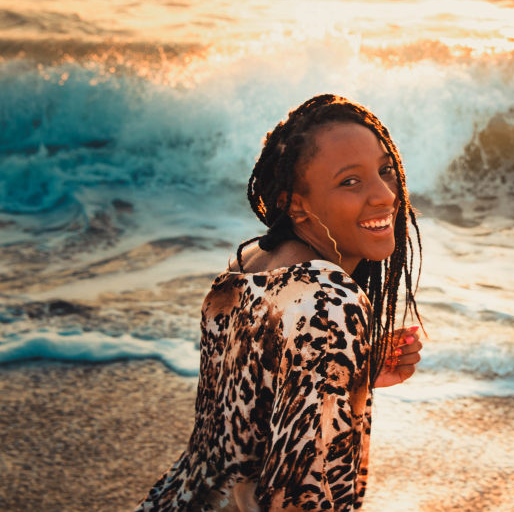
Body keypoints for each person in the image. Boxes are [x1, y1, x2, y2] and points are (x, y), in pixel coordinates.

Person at [135, 94, 424, 511]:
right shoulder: (331, 301)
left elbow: (248, 420)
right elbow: (300, 498)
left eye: (385, 171)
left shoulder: (249, 262)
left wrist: (351, 373)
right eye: (350, 181)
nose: (385, 196)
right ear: (295, 203)